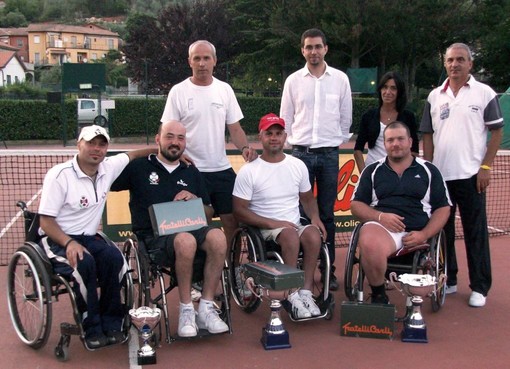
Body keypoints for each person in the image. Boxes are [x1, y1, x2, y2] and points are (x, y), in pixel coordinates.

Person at [38, 125, 156, 349]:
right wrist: (69, 242)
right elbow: (46, 221)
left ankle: (112, 322)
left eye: (102, 144)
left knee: (115, 260)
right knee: (85, 264)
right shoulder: (59, 175)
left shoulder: (108, 167)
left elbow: (134, 154)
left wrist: (164, 151)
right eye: (91, 143)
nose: (96, 149)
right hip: (57, 239)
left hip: (90, 238)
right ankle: (90, 326)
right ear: (78, 144)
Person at [111, 120, 229, 337]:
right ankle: (186, 309)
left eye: (181, 138)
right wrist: (146, 151)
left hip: (191, 228)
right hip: (153, 237)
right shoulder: (139, 167)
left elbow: (209, 213)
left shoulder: (191, 171)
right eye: (169, 136)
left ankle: (205, 308)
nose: (175, 142)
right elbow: (105, 175)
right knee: (185, 240)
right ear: (158, 139)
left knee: (218, 238)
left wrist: (194, 200)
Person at [420, 43, 504, 308]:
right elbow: (427, 135)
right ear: (445, 64)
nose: (454, 64)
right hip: (441, 179)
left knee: (475, 233)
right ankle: (449, 278)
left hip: (470, 176)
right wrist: (430, 170)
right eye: (450, 60)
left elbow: (497, 133)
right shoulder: (435, 96)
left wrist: (486, 167)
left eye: (460, 60)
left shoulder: (485, 93)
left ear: (470, 64)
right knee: (442, 233)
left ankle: (480, 286)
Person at [160, 40, 258, 244]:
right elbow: (167, 130)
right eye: (197, 58)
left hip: (221, 170)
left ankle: (233, 270)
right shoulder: (178, 91)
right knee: (197, 223)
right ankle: (202, 270)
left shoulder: (225, 90)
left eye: (206, 58)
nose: (202, 63)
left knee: (232, 221)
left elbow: (235, 128)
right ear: (190, 62)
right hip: (190, 170)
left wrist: (245, 148)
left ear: (215, 61)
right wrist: (178, 154)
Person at [233, 113, 327, 319]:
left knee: (312, 235)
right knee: (290, 235)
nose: (274, 137)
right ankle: (290, 292)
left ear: (285, 137)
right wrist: (274, 223)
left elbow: (308, 199)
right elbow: (239, 210)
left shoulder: (297, 165)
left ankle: (306, 291)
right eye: (269, 134)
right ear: (261, 137)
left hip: (293, 224)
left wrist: (315, 219)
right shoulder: (249, 171)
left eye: (278, 133)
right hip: (264, 229)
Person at [280, 28, 352, 291]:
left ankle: (327, 270)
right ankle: (300, 268)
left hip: (330, 155)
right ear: (302, 50)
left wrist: (334, 141)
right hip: (299, 155)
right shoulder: (293, 81)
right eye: (308, 47)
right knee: (299, 215)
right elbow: (285, 118)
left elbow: (346, 118)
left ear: (326, 49)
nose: (313, 51)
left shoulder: (341, 80)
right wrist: (294, 146)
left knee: (327, 216)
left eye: (318, 46)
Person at [351, 121, 451, 304]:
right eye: (390, 140)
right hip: (384, 231)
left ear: (411, 142)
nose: (395, 144)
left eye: (400, 139)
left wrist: (424, 234)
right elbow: (356, 205)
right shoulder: (372, 171)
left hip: (417, 231)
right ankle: (379, 295)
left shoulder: (430, 171)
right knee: (369, 240)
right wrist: (380, 217)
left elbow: (443, 208)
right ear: (385, 144)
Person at [354, 71, 419, 172]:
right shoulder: (368, 116)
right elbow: (358, 149)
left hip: (400, 173)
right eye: (385, 87)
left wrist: (406, 173)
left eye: (393, 88)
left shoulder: (408, 117)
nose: (388, 92)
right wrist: (364, 175)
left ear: (399, 92)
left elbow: (414, 151)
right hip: (373, 172)